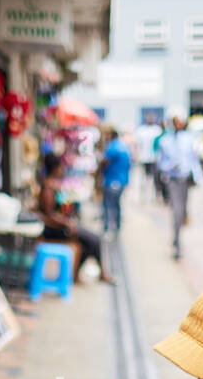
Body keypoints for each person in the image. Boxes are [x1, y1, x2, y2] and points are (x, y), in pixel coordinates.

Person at [37, 152, 116, 284]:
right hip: (53, 230)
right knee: (93, 240)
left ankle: (79, 274)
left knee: (91, 242)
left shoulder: (50, 185)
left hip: (58, 226)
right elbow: (48, 215)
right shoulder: (47, 189)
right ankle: (98, 273)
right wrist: (67, 223)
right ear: (56, 168)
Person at [156, 114, 203, 258]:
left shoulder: (188, 139)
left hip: (185, 179)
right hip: (172, 179)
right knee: (176, 210)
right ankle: (176, 241)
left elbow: (193, 160)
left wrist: (198, 177)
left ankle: (178, 234)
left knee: (182, 210)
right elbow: (160, 163)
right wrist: (170, 166)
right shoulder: (165, 140)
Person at [100, 127, 131, 236]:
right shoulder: (125, 147)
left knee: (109, 205)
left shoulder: (111, 147)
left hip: (112, 180)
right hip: (122, 181)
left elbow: (105, 162)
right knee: (116, 205)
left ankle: (108, 229)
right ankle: (117, 228)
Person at [135, 116, 163, 201]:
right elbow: (138, 145)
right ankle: (143, 197)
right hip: (143, 158)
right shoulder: (141, 130)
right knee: (143, 179)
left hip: (154, 158)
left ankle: (154, 196)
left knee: (155, 179)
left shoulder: (157, 130)